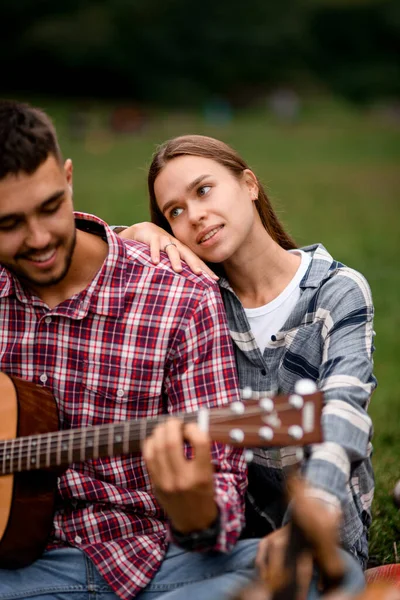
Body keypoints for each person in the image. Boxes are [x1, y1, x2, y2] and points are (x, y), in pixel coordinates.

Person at [0, 102, 260, 600]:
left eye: (51, 207)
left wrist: (200, 514)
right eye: (9, 223)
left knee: (315, 569)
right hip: (15, 571)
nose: (39, 239)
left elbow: (224, 478)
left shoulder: (178, 293)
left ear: (69, 178)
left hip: (154, 564)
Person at [118, 134, 377, 598]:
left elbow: (345, 410)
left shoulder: (335, 292)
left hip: (325, 533)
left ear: (249, 184)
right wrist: (134, 236)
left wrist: (305, 520)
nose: (193, 215)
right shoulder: (197, 300)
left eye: (203, 190)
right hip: (228, 541)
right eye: (173, 212)